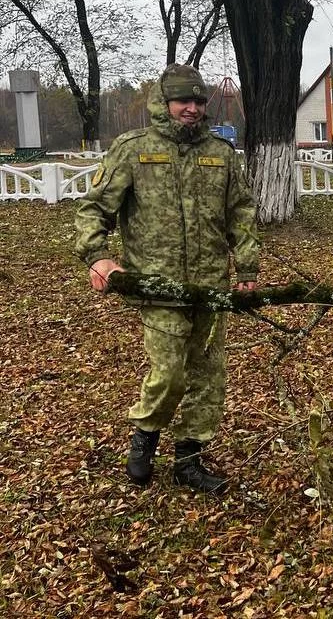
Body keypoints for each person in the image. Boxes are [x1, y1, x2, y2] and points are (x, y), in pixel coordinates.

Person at [74, 64, 260, 494]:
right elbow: (94, 209)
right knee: (170, 374)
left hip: (211, 287)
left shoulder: (220, 153)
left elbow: (241, 212)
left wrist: (248, 268)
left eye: (197, 101)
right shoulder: (134, 149)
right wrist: (98, 257)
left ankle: (188, 460)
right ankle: (145, 438)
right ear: (164, 102)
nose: (191, 108)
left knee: (208, 377)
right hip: (157, 286)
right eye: (182, 101)